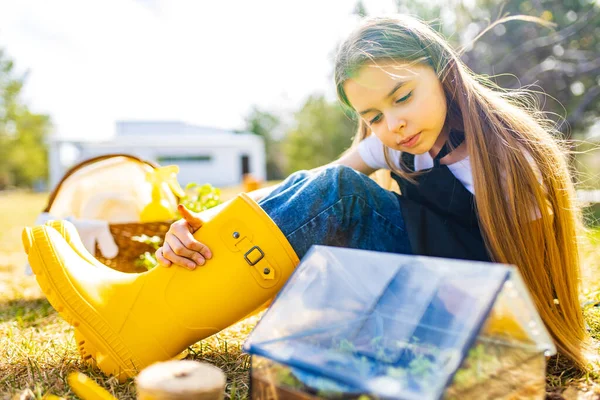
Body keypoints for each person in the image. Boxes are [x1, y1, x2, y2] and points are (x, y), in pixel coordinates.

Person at [157, 15, 588, 370]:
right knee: (330, 190)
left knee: (346, 193)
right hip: (419, 288)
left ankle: (158, 314)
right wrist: (208, 221)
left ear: (443, 71)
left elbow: (540, 273)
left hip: (475, 308)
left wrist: (523, 345)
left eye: (403, 97)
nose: (393, 124)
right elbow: (305, 188)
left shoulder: (507, 157)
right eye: (374, 116)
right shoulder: (393, 145)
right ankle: (160, 300)